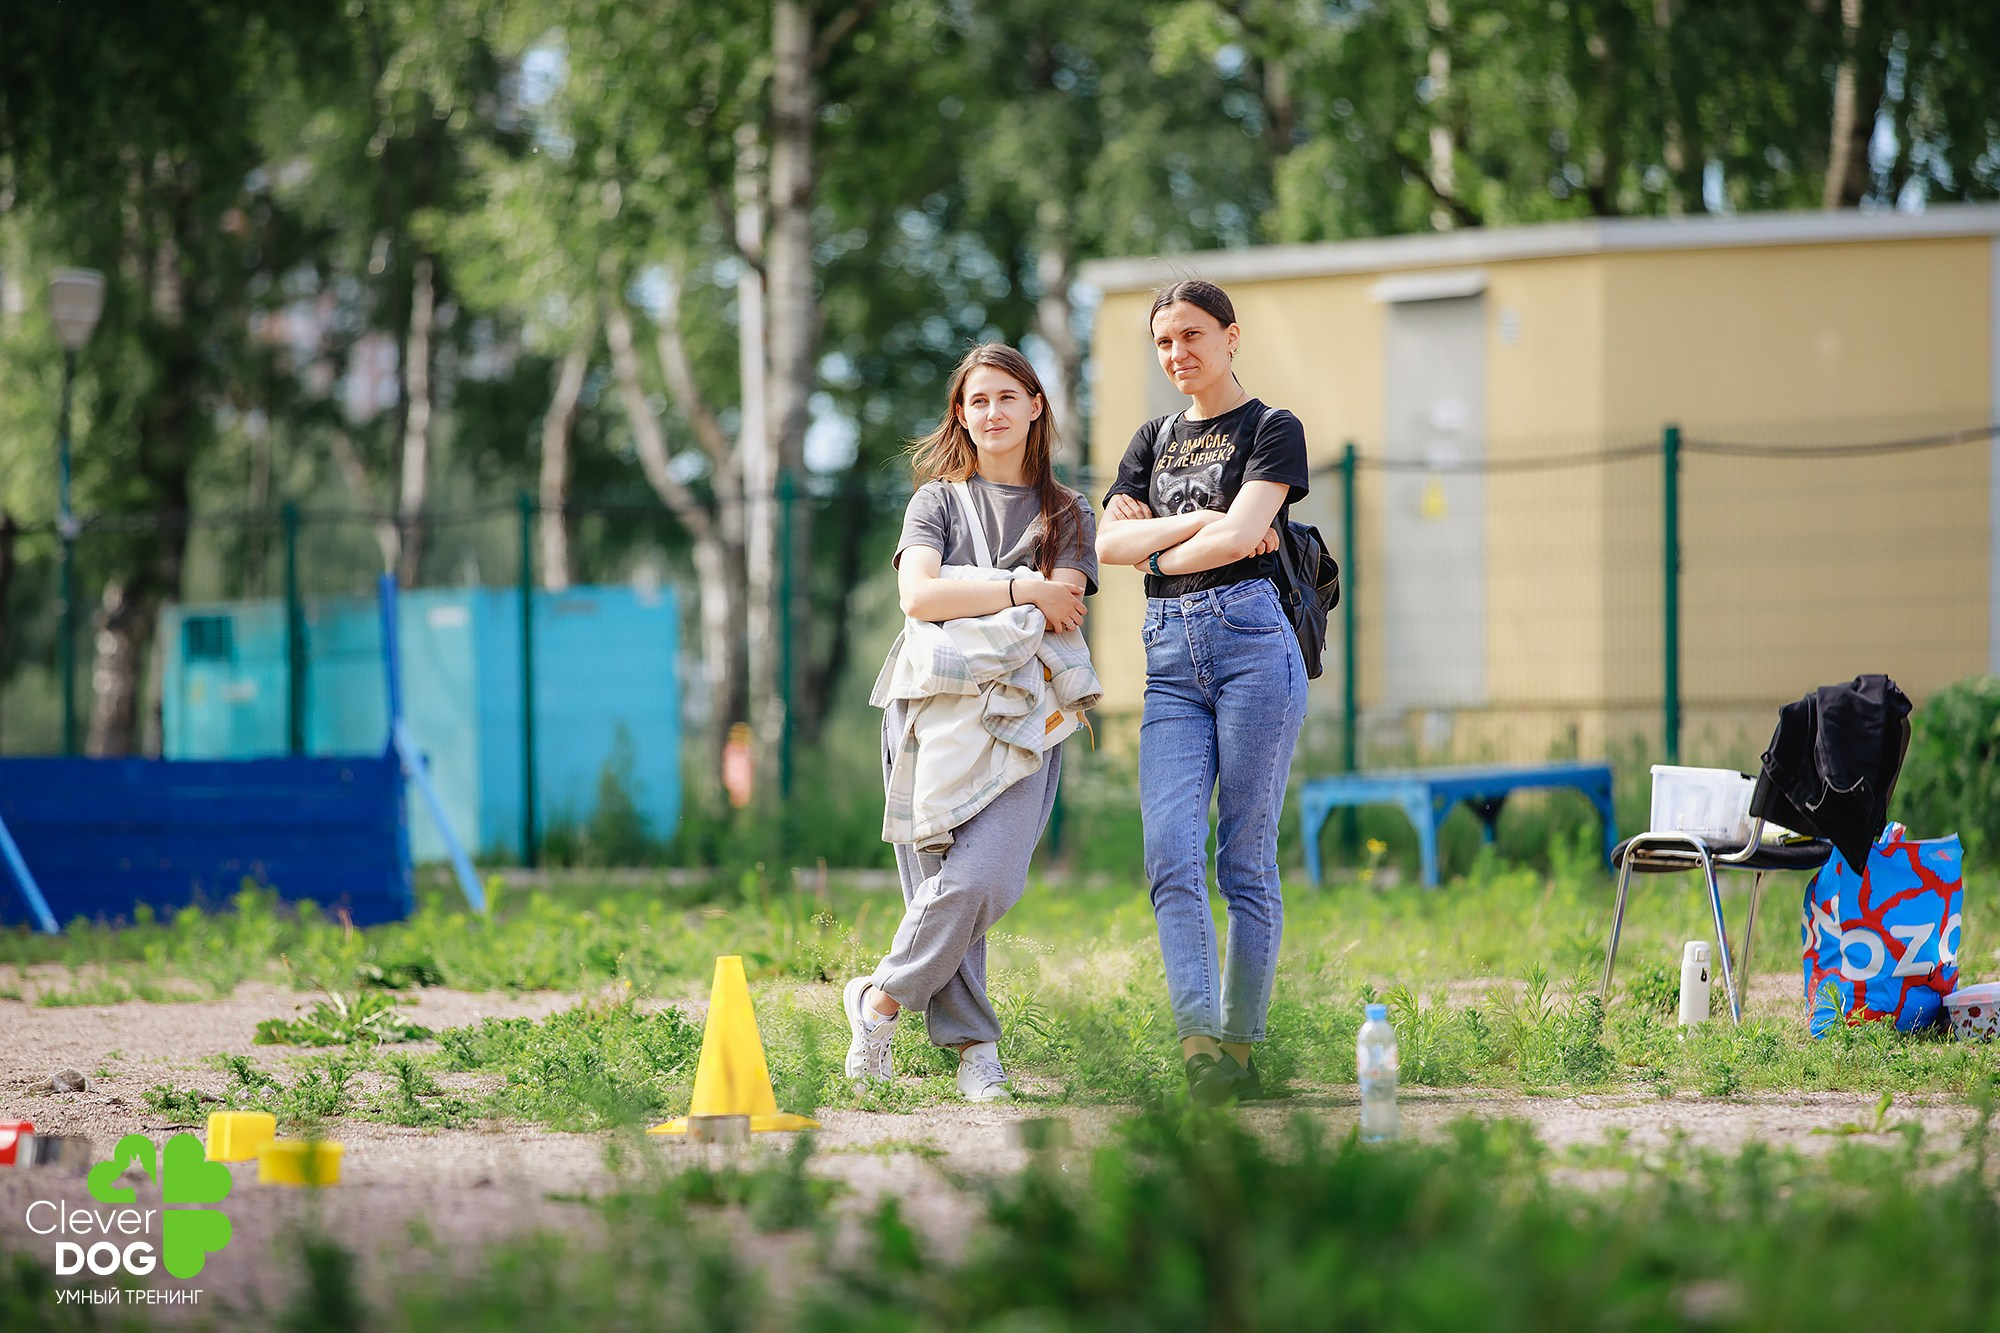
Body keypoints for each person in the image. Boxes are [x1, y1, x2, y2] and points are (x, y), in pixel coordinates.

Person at [844, 343, 1099, 1103]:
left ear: (1035, 407)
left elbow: (1064, 610)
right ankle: (976, 1051)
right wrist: (1019, 585)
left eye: (1006, 397)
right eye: (976, 400)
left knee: (985, 877)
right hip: (926, 713)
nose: (992, 412)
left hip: (1026, 716)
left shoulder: (1067, 511)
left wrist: (976, 591)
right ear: (961, 413)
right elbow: (919, 599)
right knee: (940, 884)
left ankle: (879, 1000)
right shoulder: (934, 502)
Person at [1096, 278, 1310, 1106]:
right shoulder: (1150, 439)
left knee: (1244, 856)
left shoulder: (1272, 428)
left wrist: (1154, 542)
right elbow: (1111, 542)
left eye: (1192, 335)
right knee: (1168, 852)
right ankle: (1198, 1048)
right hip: (1168, 659)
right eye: (1163, 342)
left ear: (1231, 336)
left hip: (1256, 642)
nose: (1177, 353)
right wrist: (1200, 532)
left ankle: (1241, 1049)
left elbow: (1198, 538)